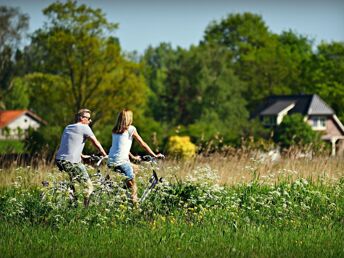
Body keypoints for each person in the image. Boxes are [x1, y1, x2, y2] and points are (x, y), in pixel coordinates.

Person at [107, 109, 164, 204]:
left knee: (135, 168)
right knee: (133, 185)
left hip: (111, 160)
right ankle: (135, 206)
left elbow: (121, 146)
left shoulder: (115, 130)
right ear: (129, 119)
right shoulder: (131, 129)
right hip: (121, 161)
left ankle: (123, 191)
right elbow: (142, 143)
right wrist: (154, 155)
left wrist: (132, 157)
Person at [55, 109, 107, 207]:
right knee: (89, 186)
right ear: (81, 118)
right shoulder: (85, 127)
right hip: (71, 162)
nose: (90, 121)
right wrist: (105, 155)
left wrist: (82, 155)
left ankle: (72, 203)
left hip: (59, 159)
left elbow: (70, 144)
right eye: (88, 118)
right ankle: (85, 211)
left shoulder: (68, 127)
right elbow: (96, 143)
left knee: (72, 181)